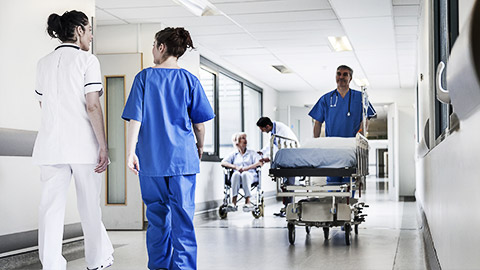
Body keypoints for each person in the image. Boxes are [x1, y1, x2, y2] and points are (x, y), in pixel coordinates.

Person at [122, 27, 215, 270]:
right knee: (183, 219)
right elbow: (200, 125)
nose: (152, 50)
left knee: (156, 218)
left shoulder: (143, 78)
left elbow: (136, 119)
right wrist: (200, 147)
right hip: (183, 160)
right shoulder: (189, 80)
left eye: (154, 45)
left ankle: (159, 266)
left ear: (162, 47)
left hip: (151, 161)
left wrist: (130, 152)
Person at [32, 10, 113, 270]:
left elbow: (44, 104)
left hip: (50, 147)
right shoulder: (87, 61)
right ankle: (96, 262)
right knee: (89, 207)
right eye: (89, 30)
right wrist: (103, 146)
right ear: (79, 30)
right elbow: (92, 106)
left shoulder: (43, 62)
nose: (91, 35)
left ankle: (52, 265)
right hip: (83, 146)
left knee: (50, 210)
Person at [308, 65, 376, 184]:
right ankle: (334, 202)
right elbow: (317, 122)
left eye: (345, 74)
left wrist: (360, 135)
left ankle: (347, 203)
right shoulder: (326, 98)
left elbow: (366, 118)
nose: (341, 77)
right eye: (339, 74)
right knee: (333, 183)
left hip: (351, 146)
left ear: (350, 78)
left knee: (349, 182)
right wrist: (316, 142)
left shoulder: (360, 97)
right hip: (332, 147)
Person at [256, 117, 299, 217]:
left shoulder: (281, 130)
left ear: (267, 126)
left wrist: (270, 159)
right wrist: (262, 152)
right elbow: (272, 144)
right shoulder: (274, 130)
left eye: (262, 129)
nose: (262, 131)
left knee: (289, 185)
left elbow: (281, 147)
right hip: (286, 159)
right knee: (285, 186)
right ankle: (286, 208)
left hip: (291, 159)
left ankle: (290, 209)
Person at [221, 132, 263, 212]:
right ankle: (233, 202)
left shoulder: (252, 153)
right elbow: (223, 162)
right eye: (243, 138)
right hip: (236, 178)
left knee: (245, 174)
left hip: (250, 176)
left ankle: (248, 201)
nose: (245, 140)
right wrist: (235, 167)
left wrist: (247, 168)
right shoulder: (234, 154)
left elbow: (260, 163)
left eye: (245, 138)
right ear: (237, 141)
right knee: (236, 174)